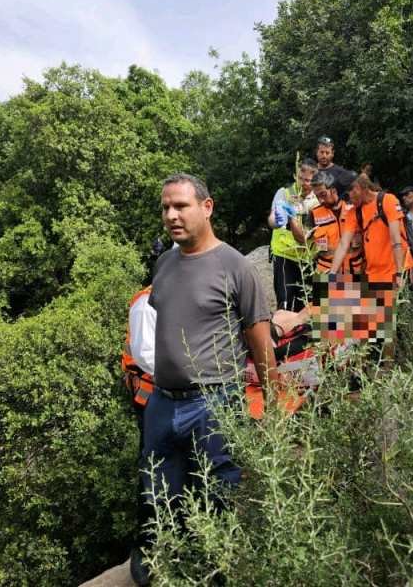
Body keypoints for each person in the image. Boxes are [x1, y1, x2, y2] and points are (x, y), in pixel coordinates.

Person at [136, 173, 278, 585]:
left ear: (207, 207)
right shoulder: (163, 264)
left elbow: (260, 342)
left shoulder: (235, 266)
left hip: (214, 404)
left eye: (180, 206)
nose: (171, 215)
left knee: (218, 502)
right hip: (162, 404)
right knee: (159, 502)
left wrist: (271, 408)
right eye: (165, 207)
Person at [122, 286, 157, 586]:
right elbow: (148, 356)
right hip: (155, 394)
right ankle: (147, 548)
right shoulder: (148, 302)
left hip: (187, 393)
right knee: (155, 469)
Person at [330, 173, 413, 287]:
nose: (348, 200)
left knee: (394, 304)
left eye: (348, 194)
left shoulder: (388, 200)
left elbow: (396, 240)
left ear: (359, 188)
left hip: (395, 269)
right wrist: (332, 274)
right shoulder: (354, 212)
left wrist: (399, 273)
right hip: (374, 273)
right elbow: (343, 244)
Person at [267, 158, 318, 312]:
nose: (303, 183)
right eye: (300, 178)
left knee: (307, 304)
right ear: (295, 175)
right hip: (284, 256)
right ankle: (282, 335)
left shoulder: (318, 199)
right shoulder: (284, 193)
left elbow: (308, 236)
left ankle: (303, 336)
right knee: (285, 302)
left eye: (308, 180)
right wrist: (277, 218)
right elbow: (271, 220)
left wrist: (292, 217)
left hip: (308, 258)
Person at [297, 171, 364, 274]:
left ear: (333, 190)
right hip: (326, 275)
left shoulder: (354, 209)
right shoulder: (314, 214)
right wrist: (291, 217)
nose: (321, 200)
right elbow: (302, 240)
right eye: (317, 196)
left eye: (323, 194)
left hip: (356, 272)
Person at [315, 136, 352, 200]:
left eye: (327, 153)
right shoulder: (309, 172)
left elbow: (349, 197)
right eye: (321, 152)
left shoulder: (342, 173)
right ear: (316, 152)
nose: (324, 156)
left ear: (332, 154)